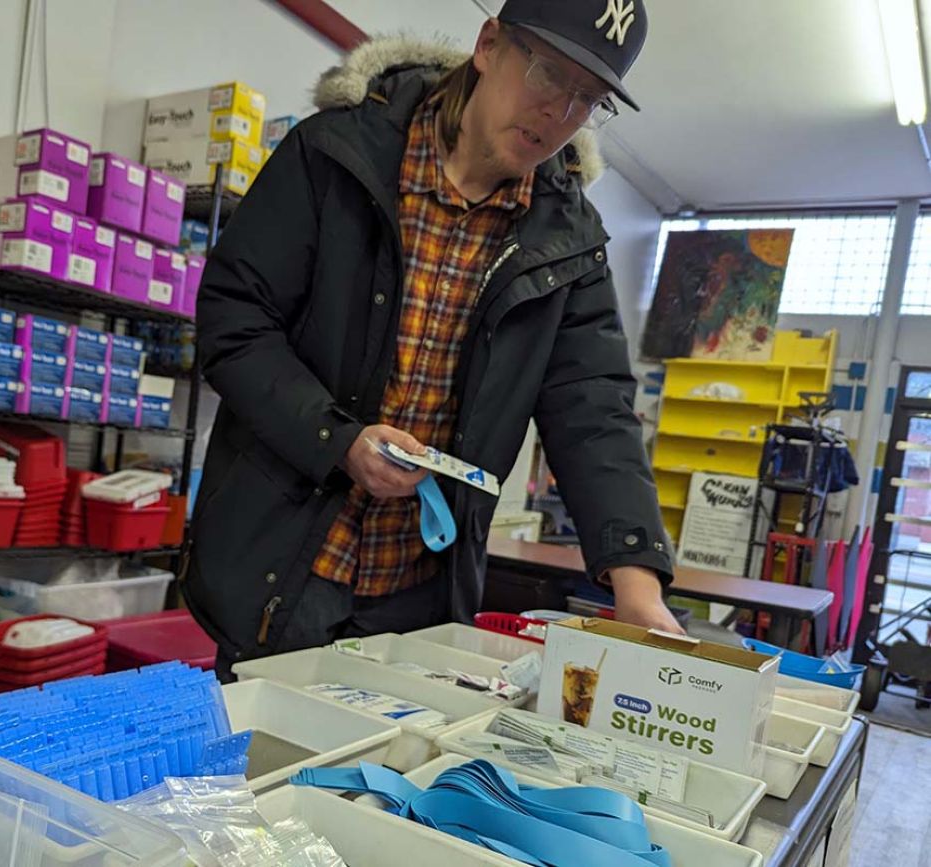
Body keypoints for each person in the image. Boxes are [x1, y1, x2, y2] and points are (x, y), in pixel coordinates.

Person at [187, 0, 680, 680]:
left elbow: (593, 408)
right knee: (258, 773)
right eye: (546, 73)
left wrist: (637, 583)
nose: (558, 113)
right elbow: (234, 319)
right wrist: (338, 440)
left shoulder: (568, 244)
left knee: (391, 782)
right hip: (285, 565)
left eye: (586, 99)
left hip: (420, 595)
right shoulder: (334, 154)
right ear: (488, 44)